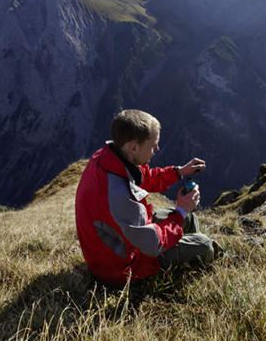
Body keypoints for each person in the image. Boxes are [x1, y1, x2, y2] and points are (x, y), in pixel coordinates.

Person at [75, 109, 221, 284]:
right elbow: (152, 245)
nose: (157, 149)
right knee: (203, 244)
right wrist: (180, 211)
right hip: (121, 268)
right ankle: (214, 258)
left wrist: (179, 172)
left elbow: (147, 177)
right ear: (134, 147)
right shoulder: (118, 194)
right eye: (153, 145)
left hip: (124, 243)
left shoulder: (113, 158)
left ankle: (188, 254)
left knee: (188, 218)